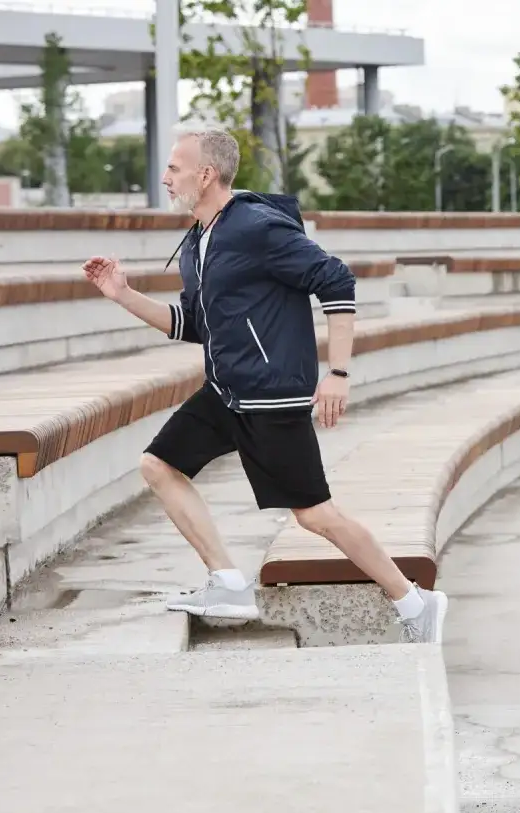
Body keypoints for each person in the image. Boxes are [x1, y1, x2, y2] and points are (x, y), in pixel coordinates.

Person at [81, 126, 447, 644]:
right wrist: (122, 294)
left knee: (315, 515)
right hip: (226, 389)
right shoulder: (197, 241)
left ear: (206, 174)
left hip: (272, 395)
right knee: (159, 464)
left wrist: (338, 373)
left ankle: (414, 602)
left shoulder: (255, 227)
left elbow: (337, 281)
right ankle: (227, 582)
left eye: (175, 169)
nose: (165, 178)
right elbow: (192, 326)